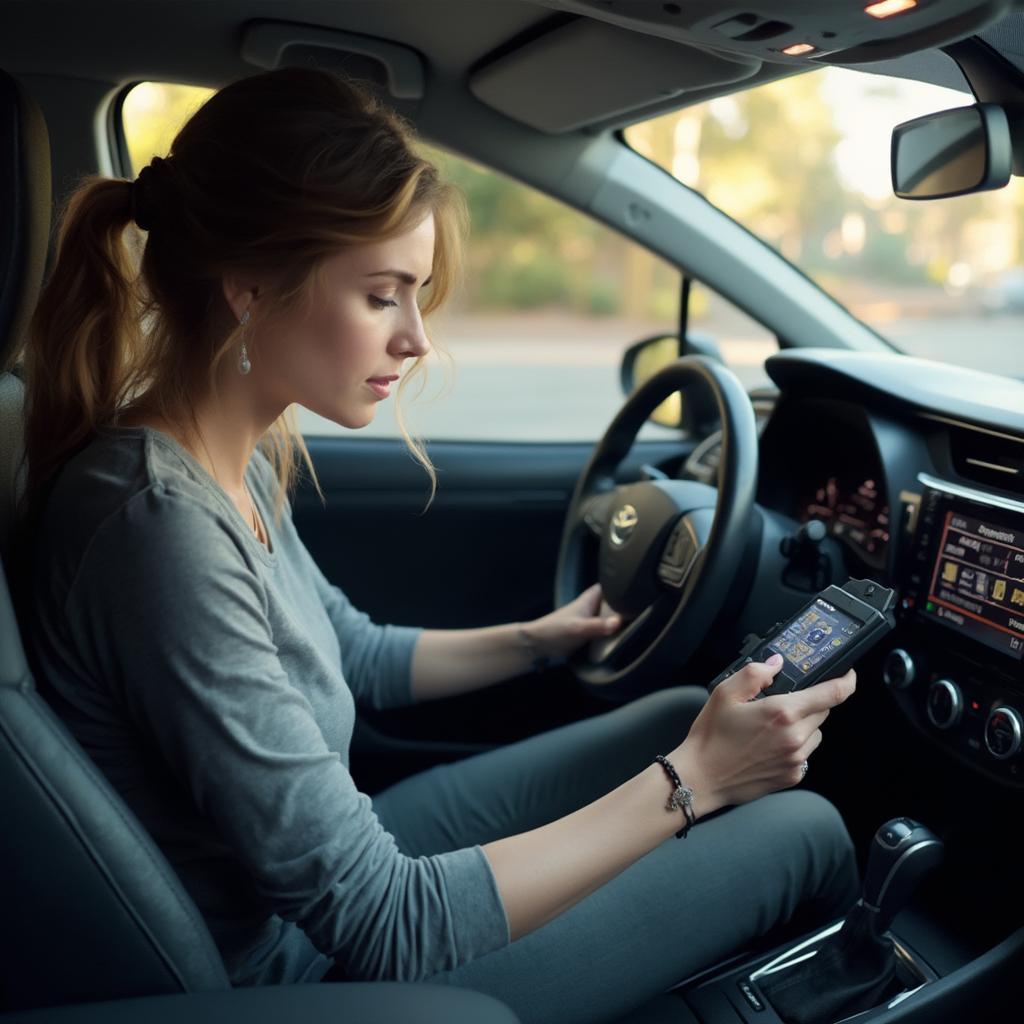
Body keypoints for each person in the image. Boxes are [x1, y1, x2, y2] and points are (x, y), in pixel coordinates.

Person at [12, 66, 860, 1024]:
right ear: (251, 288)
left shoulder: (221, 453)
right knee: (801, 827)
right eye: (384, 295)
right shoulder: (156, 525)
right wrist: (698, 783)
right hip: (302, 975)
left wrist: (544, 637)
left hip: (329, 881)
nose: (416, 337)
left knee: (675, 710)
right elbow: (386, 922)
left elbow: (356, 655)